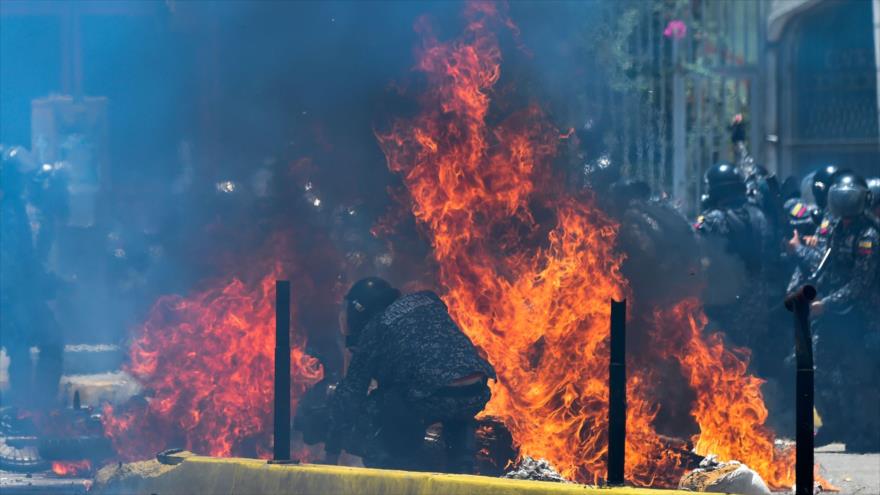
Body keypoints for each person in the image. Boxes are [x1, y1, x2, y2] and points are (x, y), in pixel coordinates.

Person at [325, 277, 496, 473]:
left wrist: (331, 450)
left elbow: (349, 397)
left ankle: (395, 469)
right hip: (476, 390)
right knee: (450, 405)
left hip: (433, 395)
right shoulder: (427, 302)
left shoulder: (375, 329)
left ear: (359, 310)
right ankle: (462, 464)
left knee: (379, 406)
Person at [793, 172, 879, 452]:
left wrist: (825, 304)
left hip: (862, 317)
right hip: (834, 315)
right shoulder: (834, 229)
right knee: (818, 368)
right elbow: (822, 265)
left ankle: (863, 432)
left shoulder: (868, 236)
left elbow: (860, 285)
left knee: (859, 376)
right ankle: (833, 423)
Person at [695, 162, 776, 353]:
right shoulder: (760, 215)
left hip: (724, 299)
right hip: (758, 299)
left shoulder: (711, 219)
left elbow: (697, 256)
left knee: (723, 357)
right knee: (751, 355)